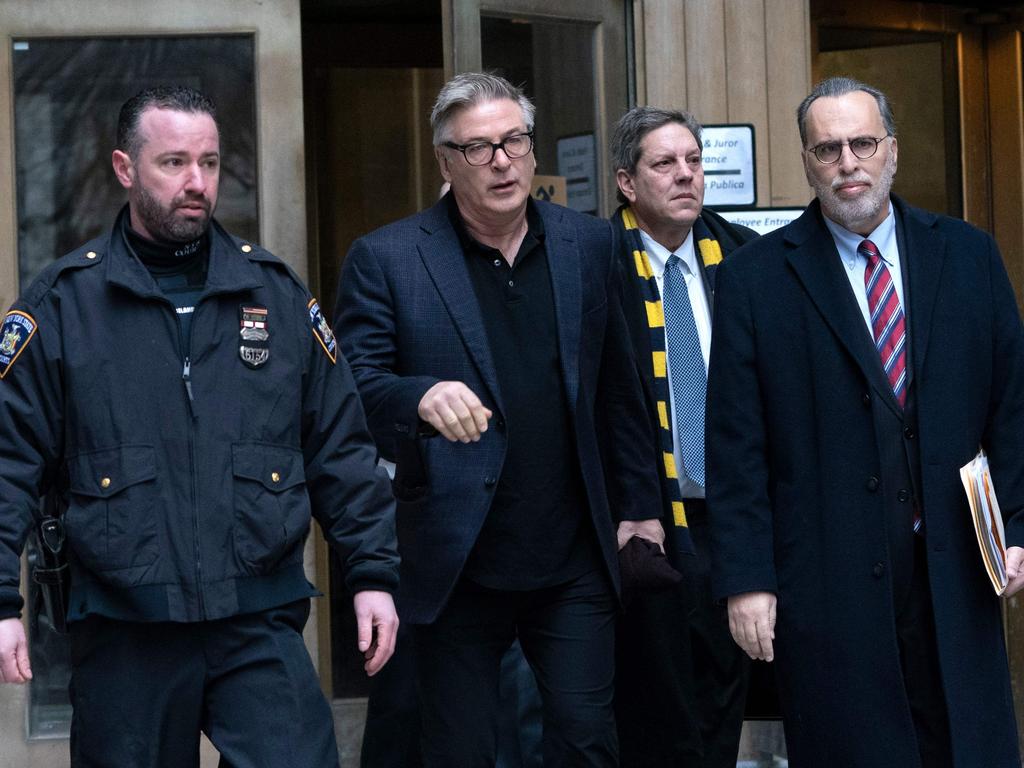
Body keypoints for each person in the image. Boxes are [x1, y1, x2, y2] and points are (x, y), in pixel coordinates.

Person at [0, 85, 399, 767]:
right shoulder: (64, 305)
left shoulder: (272, 293)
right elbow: (8, 460)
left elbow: (340, 446)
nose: (197, 183)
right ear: (126, 168)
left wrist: (373, 573)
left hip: (257, 619)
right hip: (126, 629)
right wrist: (3, 600)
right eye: (174, 162)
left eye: (210, 164)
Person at [333, 71, 663, 767]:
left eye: (514, 140)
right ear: (445, 163)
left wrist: (639, 507)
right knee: (461, 751)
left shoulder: (592, 246)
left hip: (572, 555)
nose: (503, 161)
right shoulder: (389, 258)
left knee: (585, 741)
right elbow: (353, 390)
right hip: (455, 562)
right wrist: (417, 397)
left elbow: (621, 390)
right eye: (478, 148)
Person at [706, 75, 1024, 767]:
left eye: (861, 143)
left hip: (956, 572)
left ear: (893, 151)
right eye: (827, 149)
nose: (847, 163)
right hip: (826, 582)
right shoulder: (753, 280)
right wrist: (748, 579)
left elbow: (1012, 408)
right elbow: (736, 446)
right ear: (808, 162)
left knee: (967, 748)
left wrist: (1017, 527)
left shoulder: (969, 256)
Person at [609, 105, 755, 768]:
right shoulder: (596, 263)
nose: (686, 175)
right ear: (626, 183)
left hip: (731, 519)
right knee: (653, 712)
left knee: (723, 700)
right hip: (640, 522)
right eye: (664, 164)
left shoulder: (746, 257)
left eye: (693, 161)